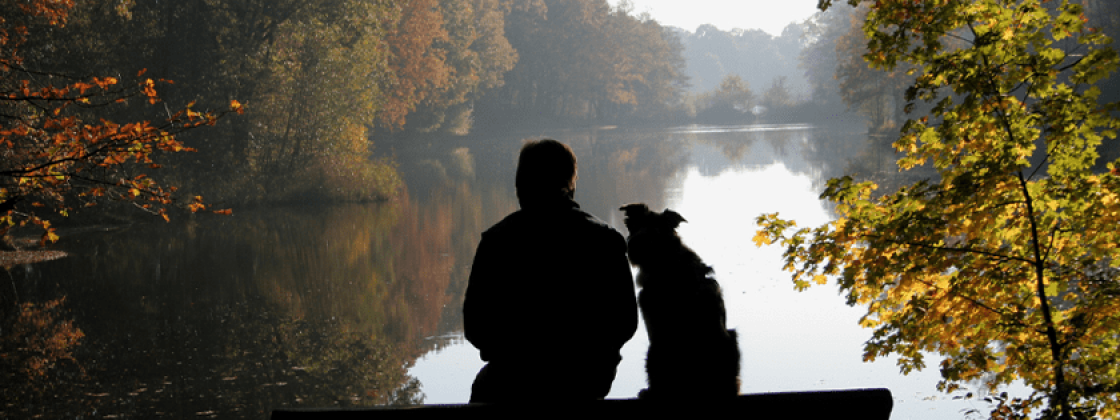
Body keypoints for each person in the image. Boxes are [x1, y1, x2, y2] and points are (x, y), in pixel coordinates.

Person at [463, 139, 638, 403]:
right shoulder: (606, 240)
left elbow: (475, 326)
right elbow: (625, 323)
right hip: (586, 380)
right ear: (570, 183)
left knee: (485, 389)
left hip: (512, 379)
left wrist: (511, 353)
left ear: (522, 184)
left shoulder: (497, 241)